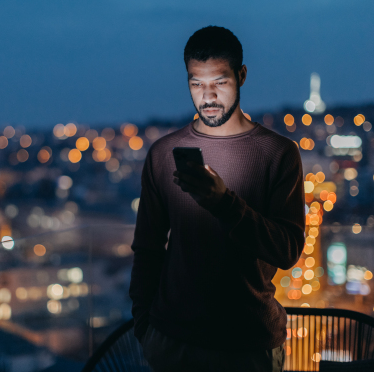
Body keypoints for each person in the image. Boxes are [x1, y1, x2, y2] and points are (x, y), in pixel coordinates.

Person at [128, 26, 305, 372]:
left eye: (219, 83)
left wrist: (224, 202)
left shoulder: (278, 154)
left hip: (248, 344)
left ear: (241, 76)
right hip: (172, 341)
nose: (207, 96)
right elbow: (147, 249)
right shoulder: (164, 153)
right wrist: (144, 328)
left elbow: (287, 251)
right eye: (196, 84)